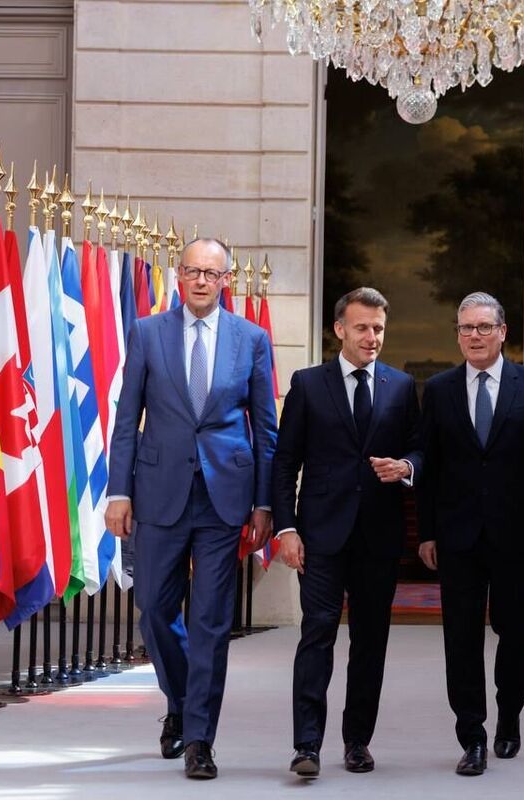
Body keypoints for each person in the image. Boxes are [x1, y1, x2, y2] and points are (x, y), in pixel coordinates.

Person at [105, 238, 277, 780]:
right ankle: (180, 703)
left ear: (226, 280)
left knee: (210, 621)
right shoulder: (146, 332)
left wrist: (265, 502)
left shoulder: (251, 339)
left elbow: (265, 428)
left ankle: (200, 738)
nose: (201, 280)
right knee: (155, 610)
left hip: (225, 496)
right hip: (158, 493)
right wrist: (118, 492)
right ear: (179, 276)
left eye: (211, 273)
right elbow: (126, 418)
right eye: (192, 271)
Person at [416, 292, 524, 776]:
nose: (474, 336)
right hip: (457, 536)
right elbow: (429, 465)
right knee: (460, 637)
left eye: (484, 327)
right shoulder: (439, 389)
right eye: (466, 328)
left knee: (517, 631)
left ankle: (509, 716)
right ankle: (473, 736)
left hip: (516, 533)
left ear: (503, 332)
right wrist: (427, 532)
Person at [272, 287, 422, 778]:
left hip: (379, 536)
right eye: (362, 327)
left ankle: (358, 741)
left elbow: (420, 449)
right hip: (319, 536)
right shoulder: (308, 384)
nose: (372, 336)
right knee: (316, 634)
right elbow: (285, 462)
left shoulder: (401, 386)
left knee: (370, 641)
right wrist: (287, 528)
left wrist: (406, 466)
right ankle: (307, 745)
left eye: (378, 328)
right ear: (340, 329)